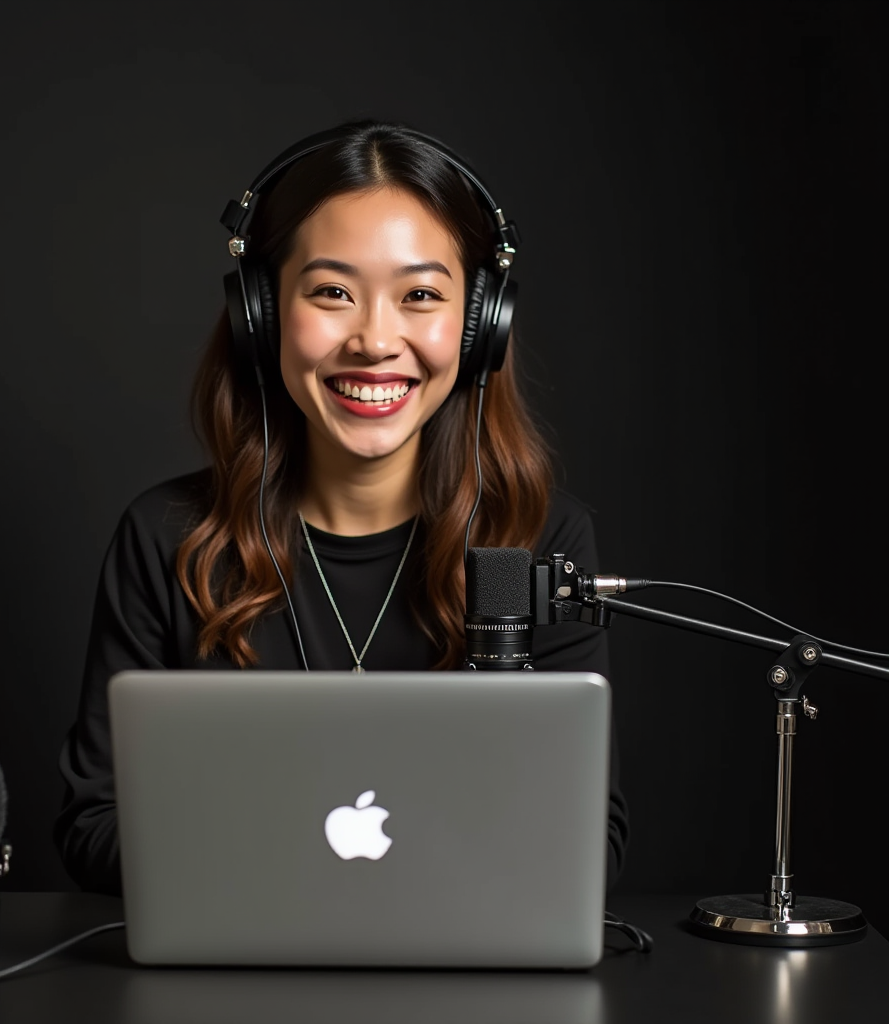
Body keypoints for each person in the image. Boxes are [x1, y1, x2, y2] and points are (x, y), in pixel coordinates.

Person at [53, 119, 629, 896]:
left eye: (421, 295)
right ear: (258, 315)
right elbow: (94, 828)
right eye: (332, 293)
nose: (375, 340)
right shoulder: (167, 539)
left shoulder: (536, 543)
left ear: (481, 323)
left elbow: (588, 842)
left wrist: (254, 850)